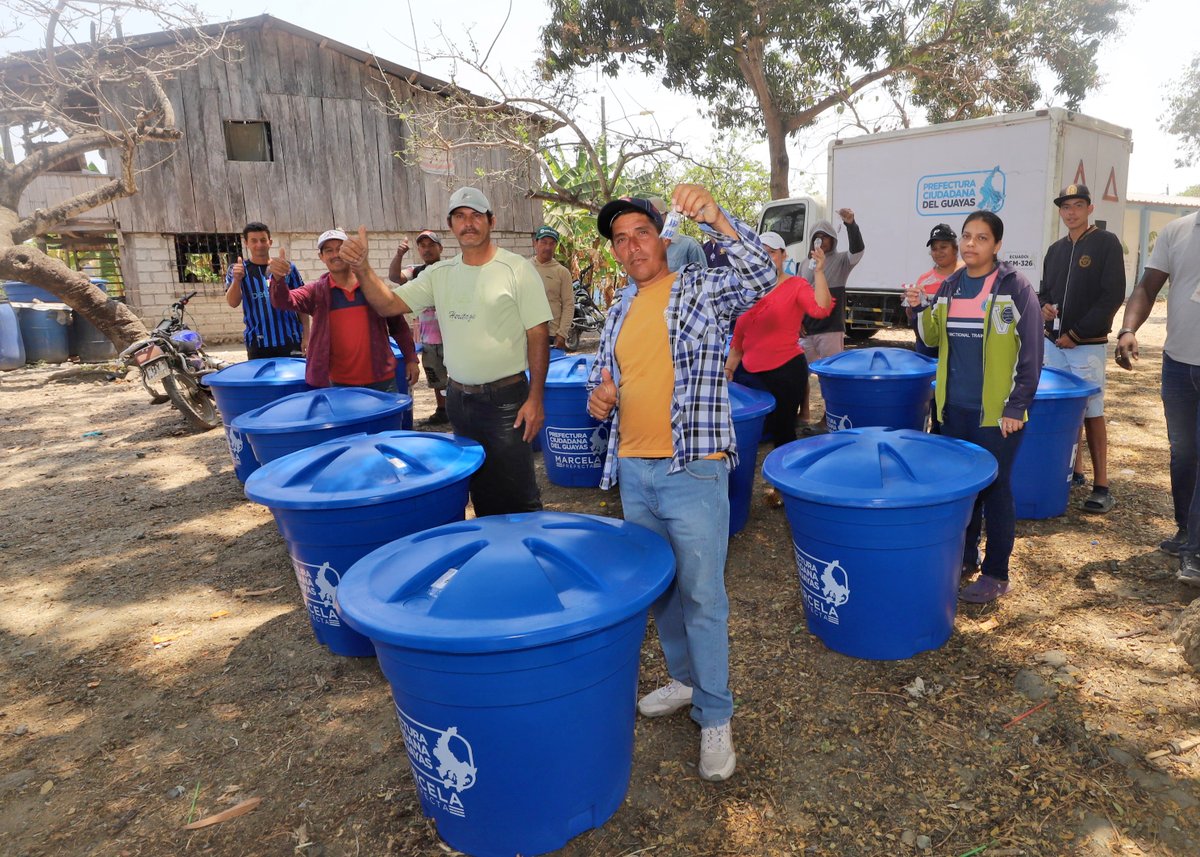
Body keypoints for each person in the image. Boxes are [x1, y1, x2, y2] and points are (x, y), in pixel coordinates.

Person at [585, 186, 776, 782]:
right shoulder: (618, 309)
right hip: (635, 474)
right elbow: (602, 388)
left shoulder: (700, 289)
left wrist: (716, 215)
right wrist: (600, 400)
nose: (631, 245)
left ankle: (715, 715)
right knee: (662, 591)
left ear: (661, 238)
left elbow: (762, 275)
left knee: (702, 597)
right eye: (620, 239)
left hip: (693, 467)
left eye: (641, 232)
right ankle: (683, 680)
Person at [348, 187, 553, 517]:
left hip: (507, 401)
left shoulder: (515, 269)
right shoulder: (439, 275)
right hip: (459, 401)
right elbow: (388, 304)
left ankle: (529, 558)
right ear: (450, 224)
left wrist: (536, 399)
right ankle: (494, 560)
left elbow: (538, 334)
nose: (468, 223)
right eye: (460, 216)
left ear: (491, 221)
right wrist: (361, 268)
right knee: (481, 492)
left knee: (519, 496)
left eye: (475, 216)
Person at [905, 210, 1043, 604]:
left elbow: (1032, 353)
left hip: (997, 415)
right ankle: (964, 558)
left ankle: (996, 573)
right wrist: (917, 309)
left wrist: (1016, 406)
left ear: (997, 245)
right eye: (967, 236)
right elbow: (931, 340)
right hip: (952, 412)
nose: (970, 244)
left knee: (996, 490)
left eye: (981, 238)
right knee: (960, 491)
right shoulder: (950, 285)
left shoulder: (1015, 288)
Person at [1115, 209, 1200, 584]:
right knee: (1183, 451)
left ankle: (1196, 551)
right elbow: (1148, 288)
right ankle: (1186, 529)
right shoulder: (1178, 231)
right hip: (1179, 364)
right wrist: (1128, 329)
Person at [1038, 184, 1126, 514]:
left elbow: (1112, 295)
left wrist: (1076, 332)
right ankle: (1073, 470)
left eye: (1078, 205)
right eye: (1065, 207)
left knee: (1092, 411)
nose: (1071, 212)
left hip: (1085, 345)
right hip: (1054, 344)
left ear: (1090, 209)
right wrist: (1045, 307)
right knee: (1062, 410)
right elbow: (1044, 292)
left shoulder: (1105, 242)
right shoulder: (1055, 249)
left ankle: (1102, 486)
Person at [267, 230, 418, 392]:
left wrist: (410, 358)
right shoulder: (317, 292)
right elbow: (283, 301)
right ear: (321, 257)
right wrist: (278, 279)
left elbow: (398, 325)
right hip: (339, 384)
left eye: (340, 248)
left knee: (387, 418)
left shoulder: (372, 288)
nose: (335, 254)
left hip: (382, 380)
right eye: (328, 250)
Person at [724, 231, 833, 454]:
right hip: (750, 374)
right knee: (751, 430)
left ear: (784, 255)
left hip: (785, 371)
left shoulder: (796, 285)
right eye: (760, 253)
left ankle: (784, 483)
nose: (765, 258)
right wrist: (728, 369)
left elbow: (820, 309)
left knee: (783, 432)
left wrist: (819, 272)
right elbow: (738, 342)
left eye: (771, 253)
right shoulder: (746, 291)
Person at [799, 209, 864, 424]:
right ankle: (804, 413)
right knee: (800, 374)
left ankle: (830, 416)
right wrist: (798, 322)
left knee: (832, 376)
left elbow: (858, 251)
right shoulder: (802, 264)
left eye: (825, 236)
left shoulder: (842, 261)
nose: (821, 240)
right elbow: (798, 296)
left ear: (833, 239)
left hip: (831, 329)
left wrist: (850, 224)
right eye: (817, 236)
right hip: (806, 330)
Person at [389, 230, 449, 424]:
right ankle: (442, 410)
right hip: (429, 338)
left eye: (431, 245)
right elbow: (395, 277)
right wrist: (399, 255)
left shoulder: (450, 269)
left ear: (440, 248)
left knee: (458, 377)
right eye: (422, 246)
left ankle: (459, 409)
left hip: (453, 337)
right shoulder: (416, 271)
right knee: (436, 376)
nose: (427, 249)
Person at [225, 221, 307, 359]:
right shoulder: (237, 270)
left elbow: (302, 305)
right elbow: (233, 303)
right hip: (258, 343)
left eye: (263, 240)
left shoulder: (287, 268)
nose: (259, 245)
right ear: (246, 243)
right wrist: (237, 279)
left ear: (270, 242)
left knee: (295, 380)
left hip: (291, 340)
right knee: (261, 380)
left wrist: (307, 336)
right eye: (254, 241)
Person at [910, 223, 963, 359]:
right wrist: (911, 303)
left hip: (960, 345)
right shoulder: (924, 280)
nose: (938, 252)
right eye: (934, 249)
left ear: (955, 249)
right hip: (929, 348)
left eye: (943, 247)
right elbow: (914, 318)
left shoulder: (967, 273)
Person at [530, 225, 574, 351]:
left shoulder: (562, 272)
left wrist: (562, 334)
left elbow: (569, 304)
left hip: (552, 336)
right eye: (543, 242)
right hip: (528, 333)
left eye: (552, 243)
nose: (548, 247)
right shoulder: (524, 268)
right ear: (535, 243)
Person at [650, 195, 708, 272]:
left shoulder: (689, 245)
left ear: (667, 216)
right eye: (648, 218)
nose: (653, 221)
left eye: (657, 216)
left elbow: (703, 279)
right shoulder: (639, 249)